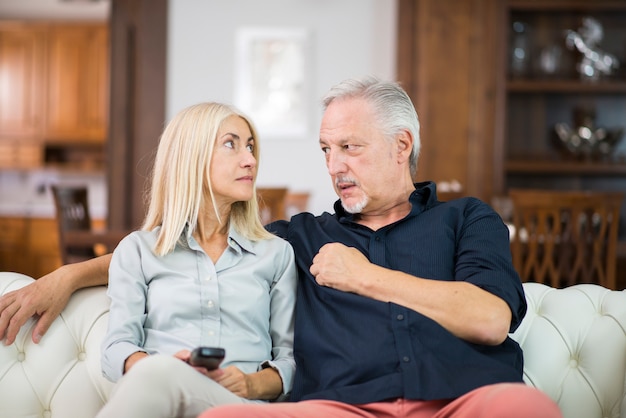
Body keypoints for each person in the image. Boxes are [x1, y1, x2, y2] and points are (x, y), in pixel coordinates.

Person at [0, 77, 562, 418]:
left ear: (401, 146)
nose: (333, 165)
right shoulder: (300, 238)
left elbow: (490, 319)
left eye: (350, 146)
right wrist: (68, 276)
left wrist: (366, 276)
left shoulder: (466, 219)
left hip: (465, 400)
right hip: (337, 407)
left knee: (527, 409)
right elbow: (184, 241)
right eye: (325, 149)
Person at [96, 102, 297, 418]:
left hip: (240, 408)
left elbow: (289, 361)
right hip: (162, 397)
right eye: (231, 144)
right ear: (192, 157)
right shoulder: (137, 250)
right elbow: (115, 350)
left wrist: (249, 383)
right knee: (161, 373)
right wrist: (160, 369)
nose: (250, 160)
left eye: (251, 147)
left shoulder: (276, 254)